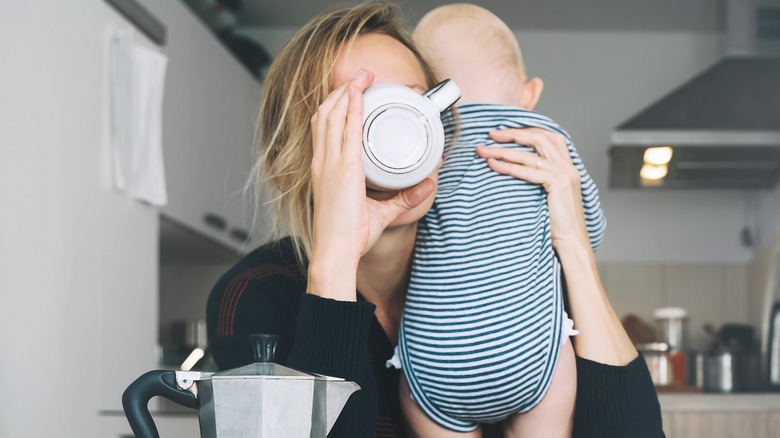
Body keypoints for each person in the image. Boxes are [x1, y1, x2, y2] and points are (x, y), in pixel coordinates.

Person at [206, 2, 665, 437]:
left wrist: (574, 247)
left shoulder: (507, 264)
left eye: (420, 104)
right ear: (298, 153)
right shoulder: (256, 295)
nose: (404, 129)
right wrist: (335, 262)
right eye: (364, 110)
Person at [389, 4, 605, 436]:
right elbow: (590, 231)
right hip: (528, 352)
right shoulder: (547, 140)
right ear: (530, 92)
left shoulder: (429, 145)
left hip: (437, 359)